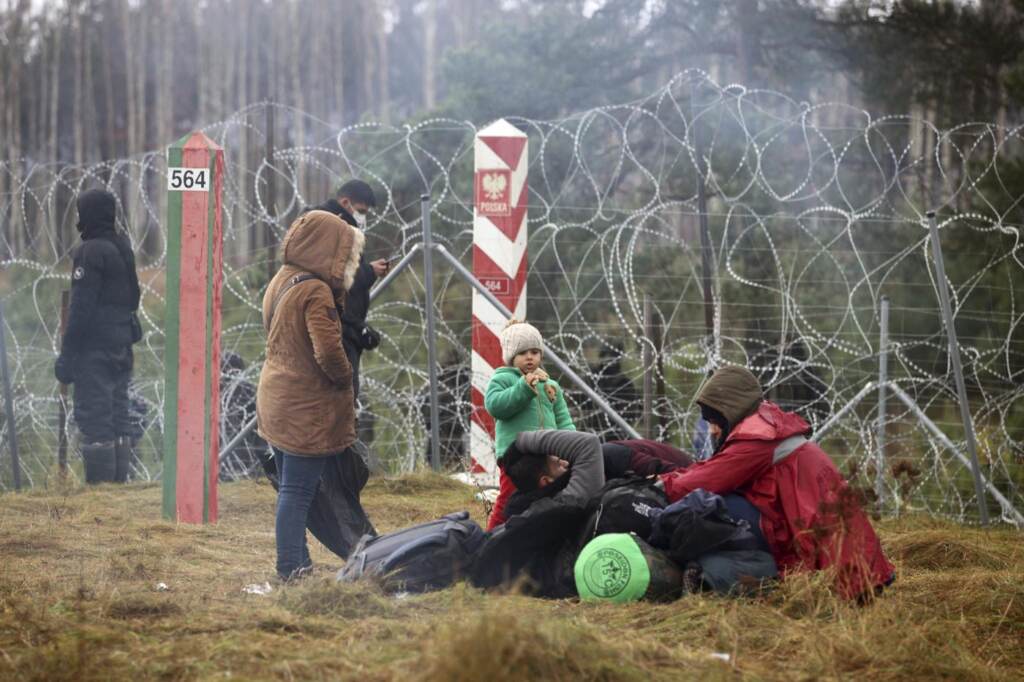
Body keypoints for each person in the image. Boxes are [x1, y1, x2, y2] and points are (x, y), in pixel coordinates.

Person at [656, 366, 895, 599]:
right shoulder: (766, 426)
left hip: (841, 566)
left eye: (715, 420)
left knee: (711, 506)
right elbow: (714, 468)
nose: (712, 430)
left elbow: (706, 480)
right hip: (849, 559)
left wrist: (660, 487)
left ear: (730, 410)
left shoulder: (757, 439)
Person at [256, 209, 372, 581]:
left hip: (278, 395)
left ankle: (298, 562)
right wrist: (345, 379)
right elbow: (328, 351)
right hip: (305, 405)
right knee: (297, 491)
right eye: (346, 253)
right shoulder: (316, 291)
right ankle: (290, 567)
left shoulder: (284, 279)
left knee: (293, 488)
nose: (348, 262)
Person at [54, 189, 141, 484]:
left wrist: (68, 356)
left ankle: (101, 492)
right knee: (117, 416)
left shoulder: (89, 251)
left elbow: (80, 309)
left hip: (95, 351)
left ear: (87, 215)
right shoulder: (122, 246)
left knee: (95, 419)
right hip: (121, 344)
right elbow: (134, 297)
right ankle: (118, 490)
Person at [484, 319, 576, 530]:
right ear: (511, 356)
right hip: (516, 455)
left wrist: (570, 445)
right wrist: (523, 388)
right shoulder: (503, 379)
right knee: (509, 497)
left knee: (542, 496)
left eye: (535, 352)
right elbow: (496, 406)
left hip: (546, 455)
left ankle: (526, 533)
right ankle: (490, 536)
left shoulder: (550, 385)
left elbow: (563, 419)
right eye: (523, 352)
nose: (529, 357)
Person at [307, 180, 387, 400]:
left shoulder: (339, 227)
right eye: (361, 211)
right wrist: (370, 272)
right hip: (335, 330)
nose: (363, 217)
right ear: (345, 202)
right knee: (338, 406)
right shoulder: (331, 229)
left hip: (342, 329)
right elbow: (338, 277)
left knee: (338, 407)